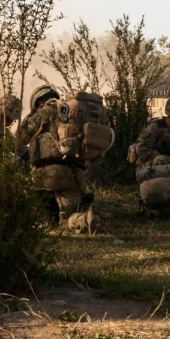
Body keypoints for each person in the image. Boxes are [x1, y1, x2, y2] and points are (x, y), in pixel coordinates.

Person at [15, 85, 102, 233]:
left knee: (43, 219)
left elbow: (20, 138)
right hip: (76, 175)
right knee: (69, 217)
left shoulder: (43, 112)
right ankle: (84, 219)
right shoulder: (72, 114)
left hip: (47, 174)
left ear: (39, 102)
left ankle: (48, 219)